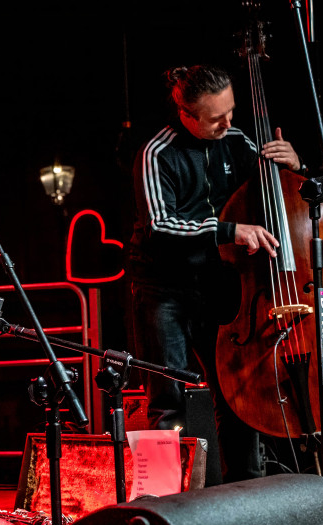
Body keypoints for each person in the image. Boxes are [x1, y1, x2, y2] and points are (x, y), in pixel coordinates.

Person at [125, 64, 304, 484]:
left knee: (238, 393)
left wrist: (295, 166)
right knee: (167, 399)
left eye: (231, 111)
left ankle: (246, 496)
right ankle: (163, 503)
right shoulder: (157, 153)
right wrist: (229, 230)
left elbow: (288, 193)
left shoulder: (237, 140)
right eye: (215, 118)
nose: (229, 123)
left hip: (220, 283)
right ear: (186, 114)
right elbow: (160, 226)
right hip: (163, 287)